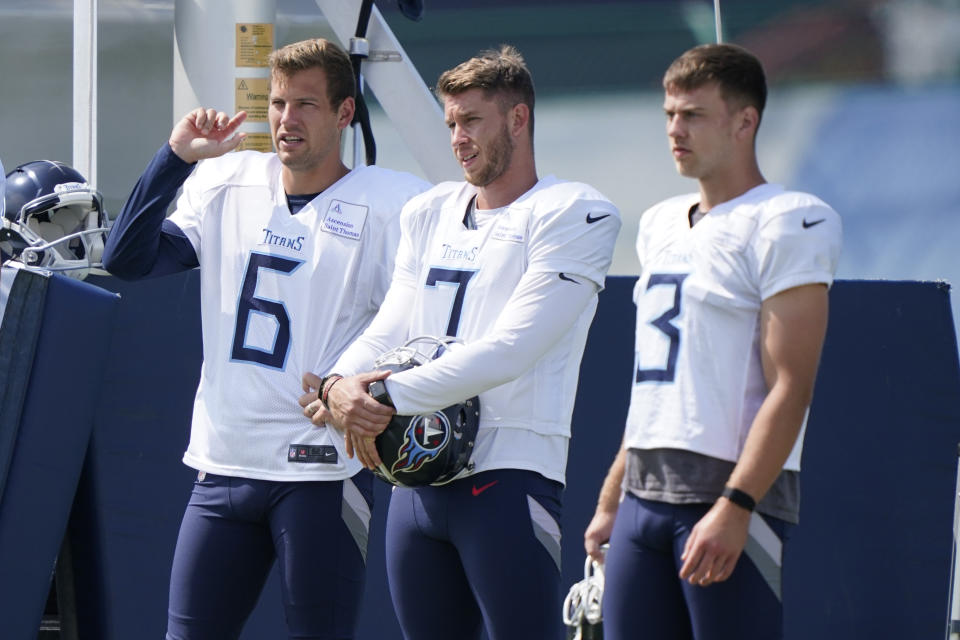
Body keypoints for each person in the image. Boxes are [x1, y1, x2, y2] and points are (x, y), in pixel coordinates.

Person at [101, 38, 429, 640]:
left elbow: (418, 322)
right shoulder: (228, 181)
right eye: (278, 103)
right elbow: (125, 260)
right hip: (224, 462)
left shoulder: (389, 204)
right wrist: (175, 158)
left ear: (345, 113)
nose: (287, 119)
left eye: (306, 104)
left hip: (321, 472)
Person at [300, 45, 621, 639]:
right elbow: (390, 326)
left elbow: (511, 349)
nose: (458, 138)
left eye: (472, 120)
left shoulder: (573, 212)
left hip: (507, 472)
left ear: (518, 119)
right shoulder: (431, 210)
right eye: (450, 123)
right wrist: (339, 383)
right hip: (415, 481)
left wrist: (381, 399)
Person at [583, 43, 842, 639]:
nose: (675, 129)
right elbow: (658, 383)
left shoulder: (787, 219)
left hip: (723, 492)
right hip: (643, 493)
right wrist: (610, 497)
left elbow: (791, 387)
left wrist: (737, 505)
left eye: (693, 115)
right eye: (670, 114)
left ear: (744, 121)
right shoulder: (659, 223)